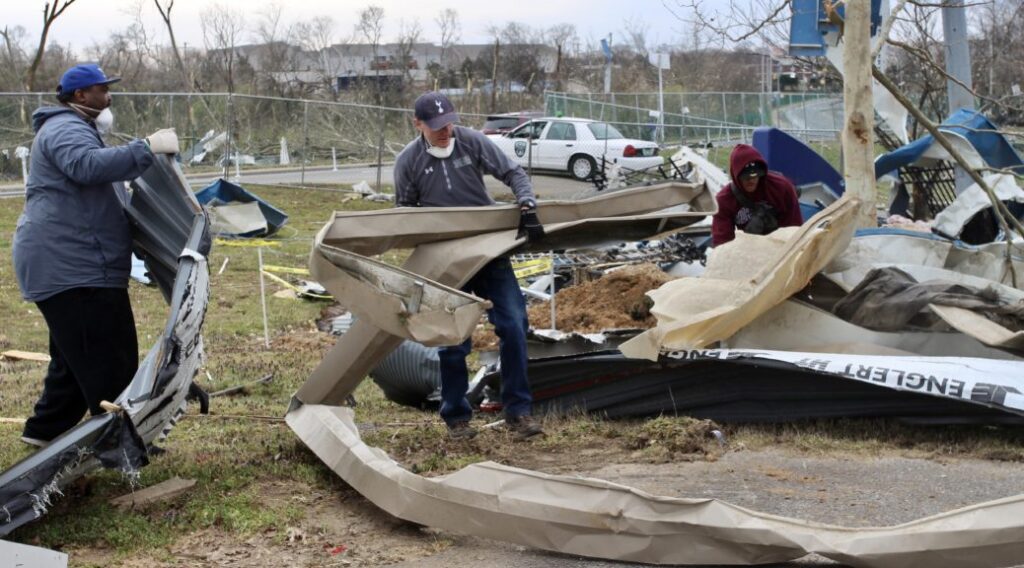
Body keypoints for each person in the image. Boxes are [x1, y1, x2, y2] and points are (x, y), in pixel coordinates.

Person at [12, 63, 179, 447]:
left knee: (75, 358)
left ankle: (43, 431)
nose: (109, 96)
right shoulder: (65, 128)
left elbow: (100, 192)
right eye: (102, 89)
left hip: (66, 262)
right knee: (110, 357)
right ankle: (123, 443)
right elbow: (87, 167)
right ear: (80, 96)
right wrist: (146, 148)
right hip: (73, 266)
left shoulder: (73, 128)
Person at [394, 91, 545, 440]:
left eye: (448, 123)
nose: (445, 131)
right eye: (435, 127)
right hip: (445, 259)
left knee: (514, 324)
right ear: (417, 124)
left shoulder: (472, 143)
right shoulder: (408, 162)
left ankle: (518, 412)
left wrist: (527, 204)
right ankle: (457, 418)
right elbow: (404, 216)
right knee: (453, 338)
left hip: (488, 250)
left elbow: (512, 172)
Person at [711, 143, 802, 247]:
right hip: (748, 248)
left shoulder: (782, 188)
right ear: (736, 176)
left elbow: (795, 229)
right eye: (745, 177)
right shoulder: (724, 201)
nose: (751, 180)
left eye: (755, 176)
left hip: (783, 244)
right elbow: (722, 244)